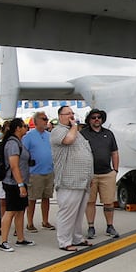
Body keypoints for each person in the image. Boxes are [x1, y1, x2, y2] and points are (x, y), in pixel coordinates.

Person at [51, 105, 94, 252]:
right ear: (60, 116)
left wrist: (90, 175)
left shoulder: (77, 132)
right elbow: (68, 140)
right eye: (67, 114)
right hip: (69, 181)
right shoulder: (58, 131)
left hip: (83, 180)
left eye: (72, 113)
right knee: (67, 212)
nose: (71, 116)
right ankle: (64, 241)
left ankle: (77, 237)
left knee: (78, 212)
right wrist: (74, 125)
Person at [81, 109, 120, 239]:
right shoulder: (83, 134)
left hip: (107, 173)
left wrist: (115, 170)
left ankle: (110, 226)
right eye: (93, 117)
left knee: (109, 202)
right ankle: (91, 226)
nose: (96, 119)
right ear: (89, 120)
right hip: (90, 174)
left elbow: (114, 152)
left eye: (99, 117)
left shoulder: (108, 134)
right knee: (90, 202)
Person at [0, 118, 34, 251]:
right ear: (18, 128)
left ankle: (20, 238)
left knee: (20, 210)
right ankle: (3, 241)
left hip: (21, 181)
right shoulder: (13, 144)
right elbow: (14, 166)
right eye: (24, 126)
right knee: (10, 211)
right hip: (13, 183)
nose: (26, 128)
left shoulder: (19, 142)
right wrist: (20, 185)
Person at [22, 111, 55, 233]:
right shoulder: (28, 137)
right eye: (43, 119)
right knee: (32, 198)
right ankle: (30, 223)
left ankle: (45, 221)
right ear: (36, 122)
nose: (46, 121)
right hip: (34, 172)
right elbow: (23, 154)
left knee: (46, 197)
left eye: (46, 119)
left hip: (49, 171)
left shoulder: (49, 135)